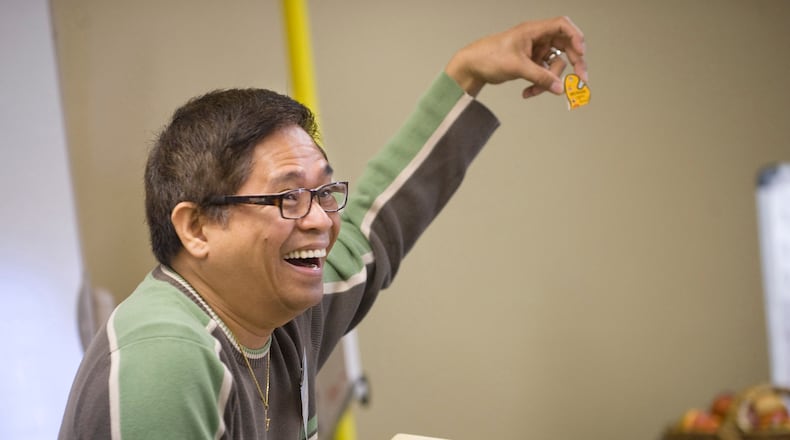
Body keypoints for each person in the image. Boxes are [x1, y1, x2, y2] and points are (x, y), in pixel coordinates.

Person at [59, 16, 587, 440]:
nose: (318, 219)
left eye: (324, 192)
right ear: (196, 227)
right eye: (287, 196)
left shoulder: (282, 313)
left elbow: (374, 228)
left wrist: (468, 74)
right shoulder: (164, 360)